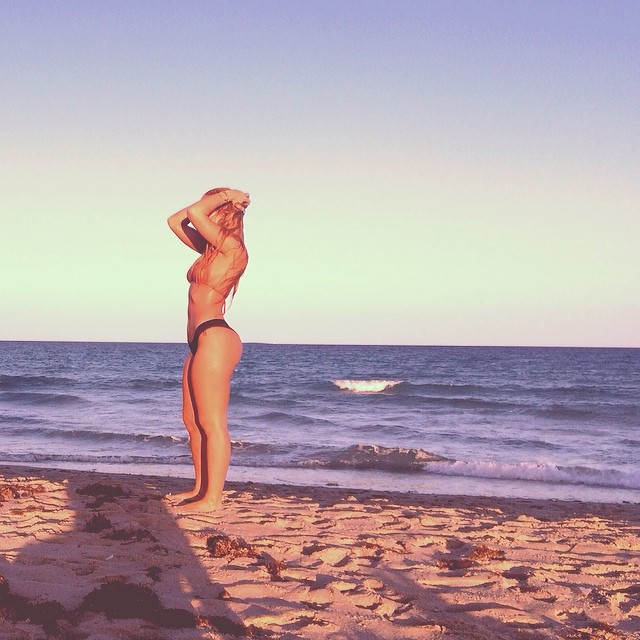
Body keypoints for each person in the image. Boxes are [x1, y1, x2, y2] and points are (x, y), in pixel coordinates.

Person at [166, 187, 250, 512]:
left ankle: (212, 499)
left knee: (212, 422)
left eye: (211, 205)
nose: (205, 209)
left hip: (216, 337)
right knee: (192, 421)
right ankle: (200, 489)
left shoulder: (233, 248)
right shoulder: (211, 250)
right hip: (199, 340)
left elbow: (194, 213)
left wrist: (227, 194)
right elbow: (175, 221)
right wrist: (218, 199)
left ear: (222, 211)